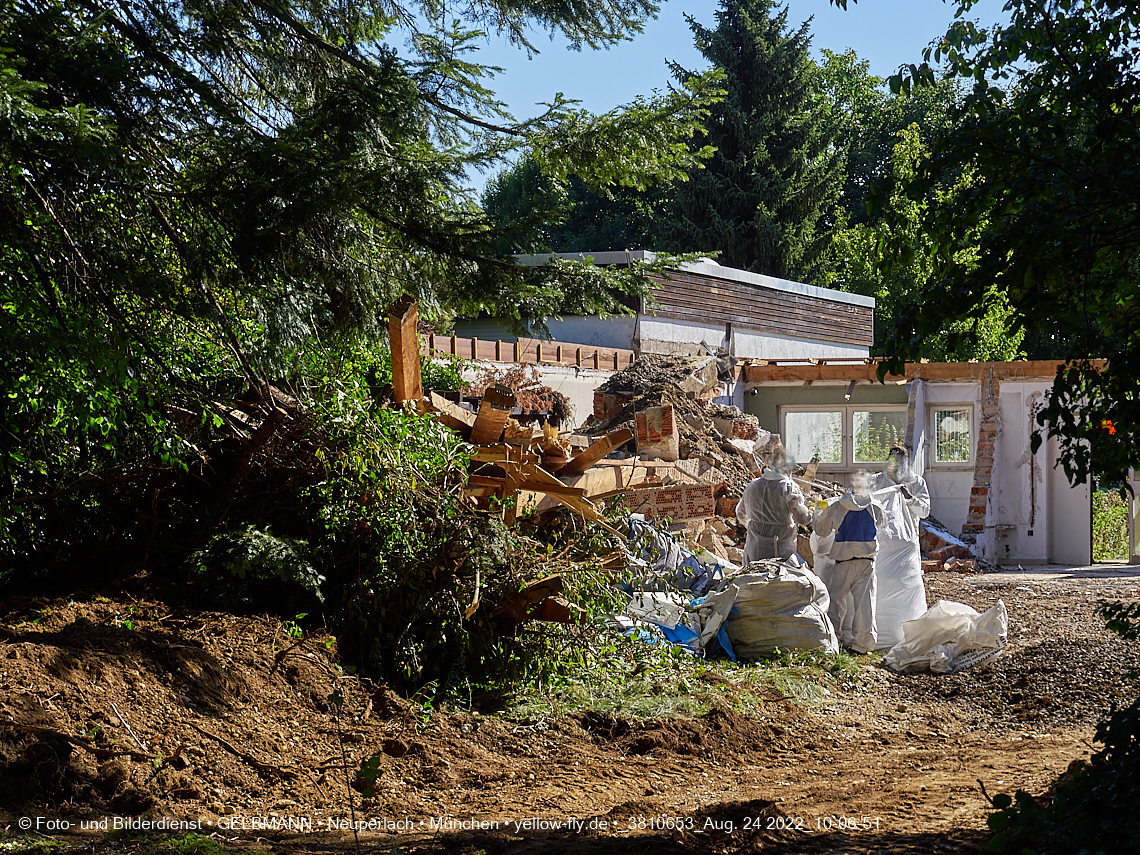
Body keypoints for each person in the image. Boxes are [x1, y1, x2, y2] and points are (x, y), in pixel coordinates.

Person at [872, 445, 931, 651]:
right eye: (893, 463)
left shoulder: (916, 483)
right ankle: (879, 632)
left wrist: (909, 498)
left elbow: (924, 511)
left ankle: (908, 632)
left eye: (901, 464)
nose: (896, 468)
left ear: (908, 463)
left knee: (907, 585)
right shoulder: (877, 480)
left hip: (906, 545)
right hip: (883, 542)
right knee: (880, 584)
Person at [813, 481, 882, 654]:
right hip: (866, 561)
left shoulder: (837, 506)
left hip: (843, 562)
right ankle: (863, 644)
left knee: (836, 602)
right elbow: (882, 525)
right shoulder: (874, 506)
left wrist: (817, 512)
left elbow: (821, 531)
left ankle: (832, 639)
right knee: (865, 604)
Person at [736, 451, 813, 563]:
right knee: (778, 578)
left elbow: (740, 512)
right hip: (780, 546)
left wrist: (756, 527)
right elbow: (801, 518)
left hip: (755, 547)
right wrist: (812, 513)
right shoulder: (788, 487)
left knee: (753, 576)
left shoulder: (753, 485)